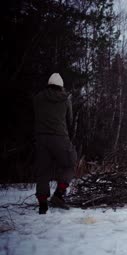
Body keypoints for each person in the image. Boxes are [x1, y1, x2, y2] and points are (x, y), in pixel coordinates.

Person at [33, 73, 77, 214]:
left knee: (43, 172)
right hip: (59, 137)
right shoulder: (65, 99)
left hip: (41, 138)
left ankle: (42, 205)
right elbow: (69, 121)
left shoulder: (38, 98)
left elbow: (35, 115)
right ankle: (58, 195)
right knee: (70, 163)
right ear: (61, 86)